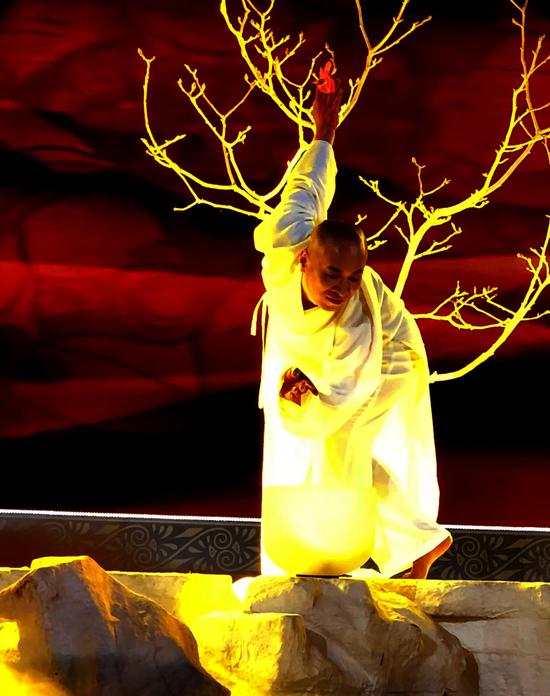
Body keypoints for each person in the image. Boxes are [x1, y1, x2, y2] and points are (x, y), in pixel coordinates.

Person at [252, 81, 451, 580]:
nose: (342, 288)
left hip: (390, 353)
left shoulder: (356, 320)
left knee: (340, 441)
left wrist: (304, 395)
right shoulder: (287, 237)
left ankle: (395, 545)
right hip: (332, 362)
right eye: (332, 275)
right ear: (304, 258)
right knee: (336, 448)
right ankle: (419, 539)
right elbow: (308, 187)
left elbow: (342, 395)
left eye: (354, 276)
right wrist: (324, 132)